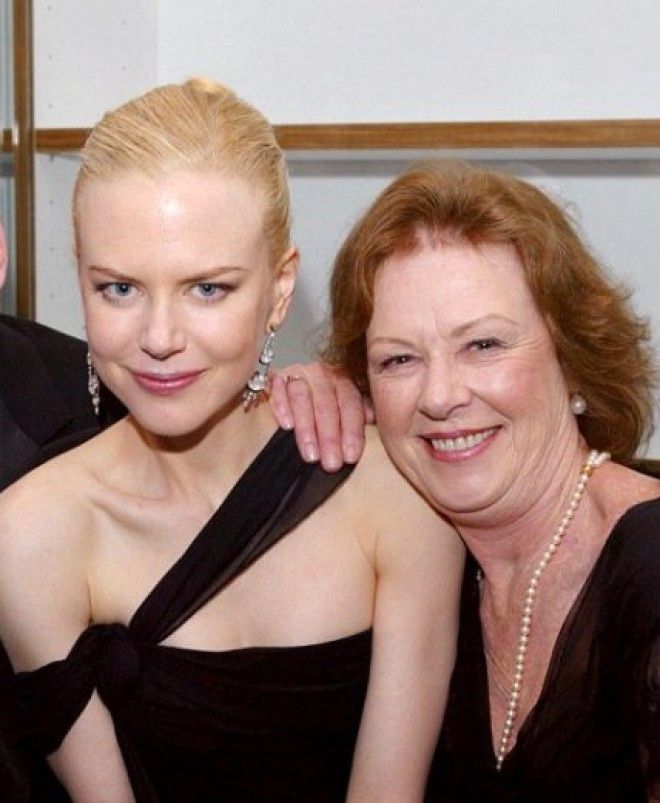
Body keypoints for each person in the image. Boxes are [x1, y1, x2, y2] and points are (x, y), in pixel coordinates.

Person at [0, 82, 463, 803]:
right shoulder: (30, 534)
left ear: (280, 289)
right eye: (118, 288)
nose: (159, 337)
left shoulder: (394, 491)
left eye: (208, 289)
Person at [271, 160, 660, 801]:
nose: (440, 395)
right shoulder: (419, 564)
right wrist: (294, 407)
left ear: (573, 357)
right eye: (399, 359)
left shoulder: (649, 566)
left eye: (483, 345)